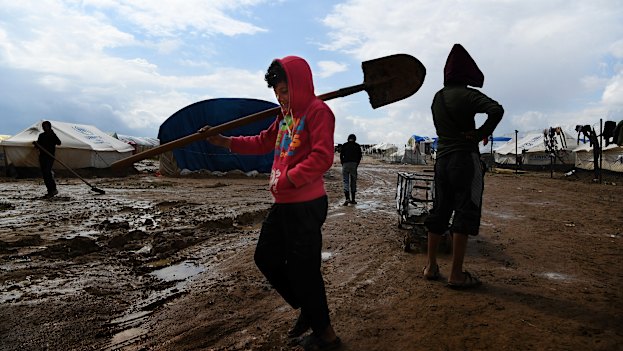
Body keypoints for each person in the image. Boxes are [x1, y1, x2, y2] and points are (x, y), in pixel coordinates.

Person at [202, 56, 341, 350]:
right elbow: (263, 141)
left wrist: (289, 177)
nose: (280, 97)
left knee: (305, 270)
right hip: (284, 203)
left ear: (300, 85)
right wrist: (225, 141)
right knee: (265, 257)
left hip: (307, 204)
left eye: (285, 91)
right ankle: (308, 306)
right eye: (276, 92)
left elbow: (322, 157)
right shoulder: (284, 116)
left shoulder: (318, 113)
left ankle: (326, 335)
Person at [423, 44, 504, 289]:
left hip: (443, 160)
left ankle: (431, 266)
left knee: (440, 210)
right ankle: (456, 273)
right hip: (464, 159)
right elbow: (496, 109)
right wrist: (481, 133)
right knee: (464, 210)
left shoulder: (437, 97)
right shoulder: (467, 95)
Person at [33, 121, 61, 198]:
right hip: (42, 157)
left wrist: (52, 136)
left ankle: (53, 189)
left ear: (49, 126)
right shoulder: (41, 135)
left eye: (46, 126)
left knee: (47, 172)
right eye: (44, 126)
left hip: (50, 157)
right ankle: (50, 191)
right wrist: (36, 144)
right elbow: (38, 145)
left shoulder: (52, 135)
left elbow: (59, 143)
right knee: (45, 174)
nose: (45, 128)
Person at [339, 134, 362, 206]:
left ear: (348, 138)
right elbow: (360, 156)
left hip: (345, 164)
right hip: (354, 164)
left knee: (346, 181)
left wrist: (343, 163)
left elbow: (341, 155)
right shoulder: (357, 146)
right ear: (355, 139)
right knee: (353, 181)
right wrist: (356, 164)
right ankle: (353, 199)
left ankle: (347, 198)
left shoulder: (344, 145)